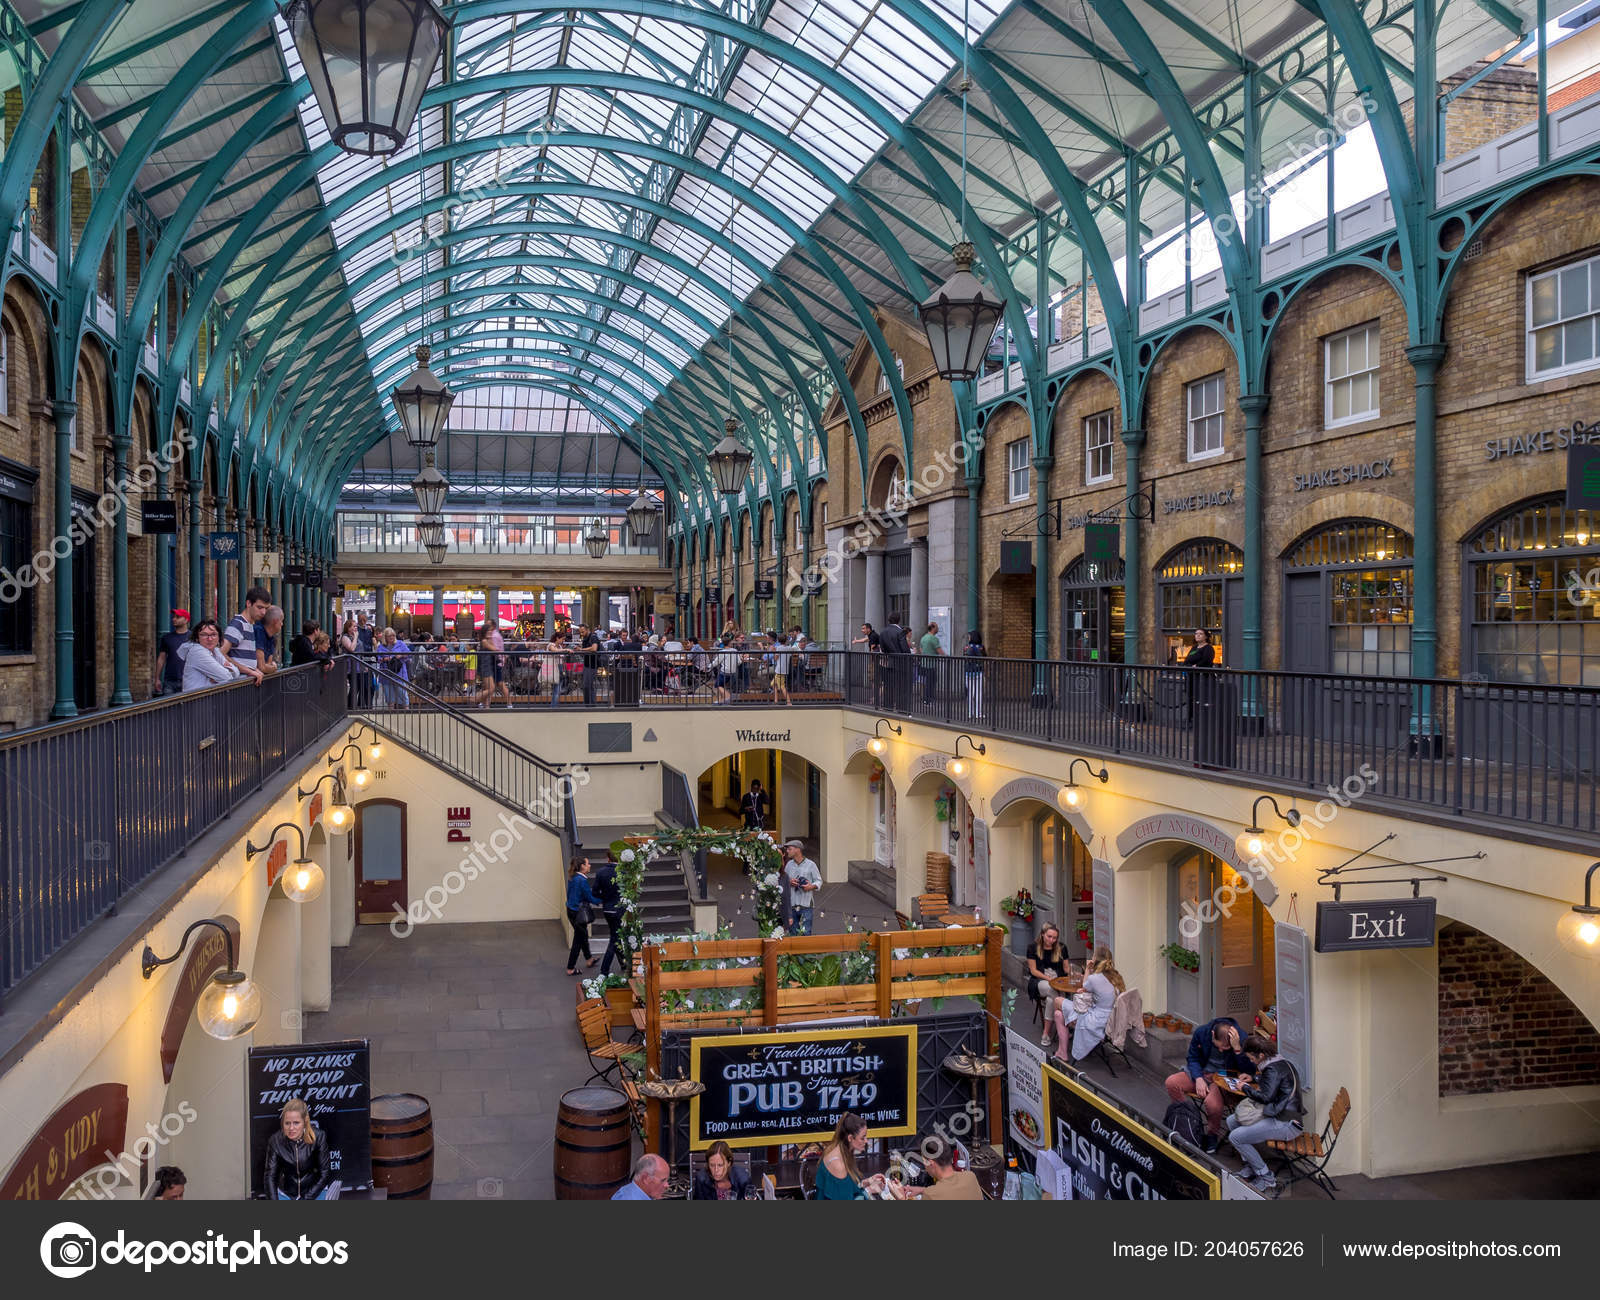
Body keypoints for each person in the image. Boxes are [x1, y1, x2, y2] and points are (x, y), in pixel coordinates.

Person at [1226, 1032, 1304, 1195]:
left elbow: (1266, 1097)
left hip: (1287, 1123)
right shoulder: (1279, 1062)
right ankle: (1251, 1165)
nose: (1251, 1061)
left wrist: (1245, 1088)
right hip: (1280, 1114)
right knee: (1232, 1121)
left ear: (1261, 1055)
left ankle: (1266, 1176)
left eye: (1252, 1058)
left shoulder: (1272, 1070)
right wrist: (1254, 1078)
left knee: (1235, 1136)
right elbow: (1273, 1084)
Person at [1165, 1015, 1251, 1151]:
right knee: (1172, 1082)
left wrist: (1237, 1049)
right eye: (1220, 1046)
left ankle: (1212, 1135)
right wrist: (1198, 1078)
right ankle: (1189, 1121)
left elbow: (1249, 1070)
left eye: (1226, 1048)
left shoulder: (1241, 1037)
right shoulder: (1202, 1032)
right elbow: (1192, 1058)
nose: (1222, 1050)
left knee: (1213, 1104)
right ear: (1212, 1035)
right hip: (1202, 1073)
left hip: (1222, 1080)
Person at [1053, 947, 1119, 1063]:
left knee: (1057, 1000)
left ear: (1095, 959)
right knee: (1058, 1014)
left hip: (1093, 1021)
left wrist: (1088, 969)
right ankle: (1062, 1051)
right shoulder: (1115, 976)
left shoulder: (1095, 978)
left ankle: (1064, 1046)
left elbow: (1084, 986)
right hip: (1108, 1019)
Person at [262, 1097, 332, 1200]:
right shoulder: (275, 1141)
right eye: (287, 1123)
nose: (291, 1128)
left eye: (296, 1123)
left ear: (305, 1122)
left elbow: (325, 1173)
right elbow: (270, 1177)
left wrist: (307, 1198)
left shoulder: (318, 1136)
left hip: (314, 1191)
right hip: (286, 1193)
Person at [883, 1134, 982, 1200]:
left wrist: (900, 1198)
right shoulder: (970, 1177)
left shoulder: (932, 1195)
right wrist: (922, 1190)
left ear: (930, 1163)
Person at [814, 1112, 885, 1199]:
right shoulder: (838, 1165)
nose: (866, 1141)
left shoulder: (839, 1150)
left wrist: (868, 1181)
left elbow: (847, 1187)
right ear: (850, 1138)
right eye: (862, 1138)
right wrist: (869, 1190)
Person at [181, 618, 259, 691]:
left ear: (219, 637)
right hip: (195, 702)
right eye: (204, 635)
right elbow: (226, 677)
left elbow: (236, 672)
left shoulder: (216, 651)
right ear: (197, 638)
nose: (210, 639)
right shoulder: (197, 651)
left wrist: (224, 673)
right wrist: (223, 672)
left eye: (213, 634)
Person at [1027, 924, 1068, 1046]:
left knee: (1051, 1001)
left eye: (1055, 938)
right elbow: (1033, 971)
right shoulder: (1032, 948)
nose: (1052, 940)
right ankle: (1066, 1024)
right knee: (1053, 990)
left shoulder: (1061, 948)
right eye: (1049, 936)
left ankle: (1046, 1033)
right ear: (1042, 934)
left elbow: (1066, 969)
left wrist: (1076, 974)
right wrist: (1049, 979)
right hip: (1039, 980)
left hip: (1059, 980)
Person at [222, 585, 271, 680]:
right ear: (248, 603)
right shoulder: (238, 624)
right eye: (260, 607)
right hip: (237, 682)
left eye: (266, 608)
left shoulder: (249, 625)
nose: (263, 612)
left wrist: (253, 669)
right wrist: (249, 671)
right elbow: (221, 654)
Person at [565, 855, 602, 975]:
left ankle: (589, 959)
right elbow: (589, 897)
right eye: (587, 863)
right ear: (582, 866)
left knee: (583, 935)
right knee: (578, 940)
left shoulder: (573, 877)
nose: (589, 865)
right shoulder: (582, 881)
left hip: (571, 910)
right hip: (578, 913)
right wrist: (603, 899)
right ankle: (570, 968)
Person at [592, 854, 625, 977]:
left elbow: (595, 892)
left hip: (607, 909)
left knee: (615, 935)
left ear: (608, 859)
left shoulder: (601, 872)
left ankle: (623, 962)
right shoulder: (623, 872)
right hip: (619, 909)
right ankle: (604, 970)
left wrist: (605, 898)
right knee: (614, 939)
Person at [783, 838, 821, 936]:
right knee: (793, 933)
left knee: (806, 932)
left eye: (789, 849)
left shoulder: (811, 865)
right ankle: (794, 952)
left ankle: (805, 951)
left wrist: (811, 886)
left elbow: (819, 881)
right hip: (792, 905)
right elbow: (783, 880)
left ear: (797, 849)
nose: (787, 851)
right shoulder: (789, 865)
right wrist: (789, 881)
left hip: (806, 905)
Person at [153, 608, 191, 696]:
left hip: (188, 679)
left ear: (186, 620)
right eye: (174, 617)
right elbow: (161, 658)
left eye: (178, 617)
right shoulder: (167, 638)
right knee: (169, 707)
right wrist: (157, 678)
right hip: (169, 681)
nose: (174, 619)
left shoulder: (193, 638)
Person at [376, 627, 412, 708]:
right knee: (389, 698)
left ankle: (407, 710)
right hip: (386, 674)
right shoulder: (381, 647)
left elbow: (409, 654)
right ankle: (391, 712)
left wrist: (400, 655)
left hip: (399, 673)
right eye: (389, 636)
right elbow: (378, 659)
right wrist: (386, 658)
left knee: (403, 694)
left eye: (393, 635)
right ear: (385, 637)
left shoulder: (400, 643)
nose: (392, 637)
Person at [962, 628, 986, 719]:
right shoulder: (980, 647)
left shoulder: (967, 647)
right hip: (977, 671)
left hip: (968, 672)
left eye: (969, 636)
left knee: (970, 693)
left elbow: (965, 655)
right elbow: (984, 657)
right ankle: (978, 713)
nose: (968, 638)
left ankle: (970, 713)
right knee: (978, 693)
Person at [918, 621, 943, 704]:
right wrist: (948, 656)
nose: (938, 628)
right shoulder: (933, 638)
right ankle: (929, 700)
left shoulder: (923, 637)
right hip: (931, 665)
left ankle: (926, 699)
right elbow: (939, 651)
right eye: (936, 627)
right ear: (933, 628)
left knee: (926, 683)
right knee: (931, 683)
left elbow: (921, 650)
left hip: (924, 663)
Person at [256, 605, 284, 675]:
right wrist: (274, 668)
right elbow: (262, 667)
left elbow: (268, 664)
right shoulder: (258, 631)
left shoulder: (271, 637)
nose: (282, 624)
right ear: (275, 621)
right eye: (281, 620)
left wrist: (269, 667)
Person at [770, 632, 793, 706]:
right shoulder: (789, 648)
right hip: (784, 669)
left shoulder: (779, 648)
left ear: (779, 641)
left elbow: (776, 658)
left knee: (782, 686)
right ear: (786, 640)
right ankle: (776, 700)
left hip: (779, 669)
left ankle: (789, 701)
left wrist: (773, 652)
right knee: (773, 684)